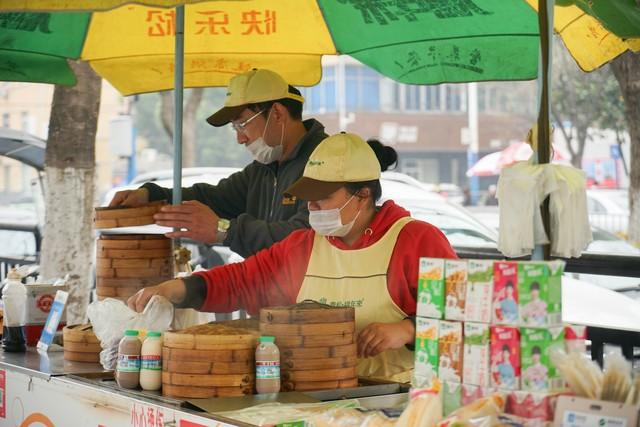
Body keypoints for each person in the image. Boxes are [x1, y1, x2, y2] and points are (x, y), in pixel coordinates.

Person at [128, 133, 457, 382]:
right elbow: (241, 281)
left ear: (363, 195)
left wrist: (408, 329)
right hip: (321, 399)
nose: (311, 209)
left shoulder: (417, 241)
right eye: (307, 200)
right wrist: (175, 290)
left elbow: (466, 325)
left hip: (402, 402)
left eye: (322, 199)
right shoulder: (304, 245)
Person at [109, 69, 328, 258]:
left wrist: (225, 230)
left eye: (242, 125)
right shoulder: (262, 171)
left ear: (277, 114)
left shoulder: (328, 162)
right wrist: (152, 195)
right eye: (235, 129)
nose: (240, 139)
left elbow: (307, 236)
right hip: (270, 301)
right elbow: (213, 198)